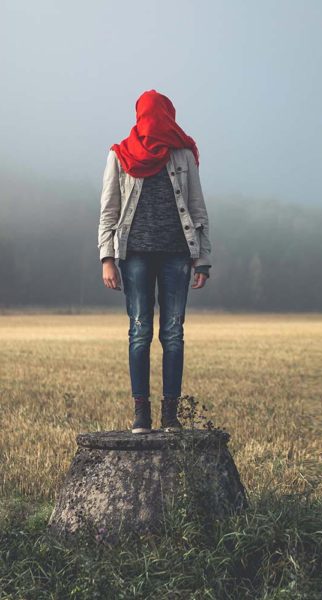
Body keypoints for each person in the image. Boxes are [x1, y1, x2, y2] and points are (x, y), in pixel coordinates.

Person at [97, 89, 213, 434]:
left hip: (177, 254)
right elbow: (109, 211)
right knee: (139, 331)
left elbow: (197, 207)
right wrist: (107, 257)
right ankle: (141, 415)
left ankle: (170, 416)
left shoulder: (183, 154)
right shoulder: (119, 155)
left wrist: (203, 259)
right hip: (134, 255)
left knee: (173, 333)